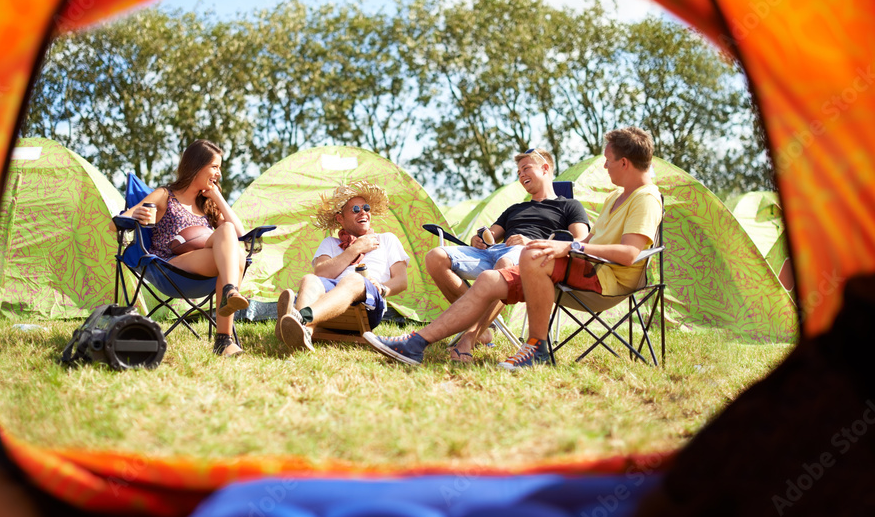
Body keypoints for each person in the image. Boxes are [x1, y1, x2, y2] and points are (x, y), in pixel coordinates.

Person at [365, 127, 662, 371]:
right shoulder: (615, 198)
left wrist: (563, 245)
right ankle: (416, 342)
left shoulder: (645, 198)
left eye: (608, 159)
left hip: (606, 280)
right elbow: (586, 244)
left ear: (624, 162)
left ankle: (537, 346)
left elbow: (629, 254)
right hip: (575, 267)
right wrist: (559, 247)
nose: (605, 165)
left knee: (527, 255)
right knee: (489, 280)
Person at [425, 148, 589, 362]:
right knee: (435, 256)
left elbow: (579, 242)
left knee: (505, 263)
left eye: (526, 169)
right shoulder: (515, 208)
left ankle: (469, 338)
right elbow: (491, 235)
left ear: (545, 168)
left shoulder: (569, 206)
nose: (521, 176)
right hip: (494, 252)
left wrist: (531, 243)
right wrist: (480, 239)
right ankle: (482, 328)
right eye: (519, 172)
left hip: (529, 256)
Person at [121, 139, 249, 357]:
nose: (218, 173)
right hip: (171, 267)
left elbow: (239, 233)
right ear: (197, 166)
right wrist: (137, 215)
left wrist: (217, 196)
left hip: (207, 265)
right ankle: (225, 332)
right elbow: (123, 217)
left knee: (230, 239)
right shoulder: (165, 195)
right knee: (233, 253)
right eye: (214, 167)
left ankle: (225, 330)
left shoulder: (207, 204)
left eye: (220, 168)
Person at [277, 180, 409, 352]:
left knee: (354, 279)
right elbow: (321, 273)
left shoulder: (387, 239)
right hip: (330, 300)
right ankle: (304, 333)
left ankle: (300, 317)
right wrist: (355, 249)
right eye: (355, 209)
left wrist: (383, 288)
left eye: (366, 208)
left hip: (368, 304)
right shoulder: (330, 243)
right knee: (309, 279)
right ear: (341, 218)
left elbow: (401, 280)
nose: (363, 212)